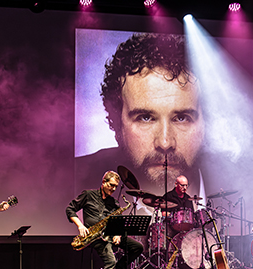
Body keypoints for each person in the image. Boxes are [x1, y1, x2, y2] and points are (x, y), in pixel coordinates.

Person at [76, 33, 205, 198]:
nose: (165, 143)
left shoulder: (245, 179)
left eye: (182, 118)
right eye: (145, 118)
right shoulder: (70, 179)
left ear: (206, 122)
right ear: (116, 123)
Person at [66, 171, 143, 269]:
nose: (113, 189)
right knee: (110, 261)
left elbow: (119, 222)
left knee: (138, 247)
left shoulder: (114, 203)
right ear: (104, 182)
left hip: (110, 234)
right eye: (111, 185)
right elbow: (70, 209)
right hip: (95, 236)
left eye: (115, 187)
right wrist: (80, 226)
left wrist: (117, 234)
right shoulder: (88, 195)